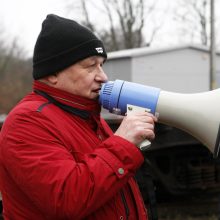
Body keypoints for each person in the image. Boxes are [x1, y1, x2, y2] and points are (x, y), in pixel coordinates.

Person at [0, 14, 157, 220]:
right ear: (52, 74)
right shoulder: (26, 122)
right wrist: (123, 143)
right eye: (90, 66)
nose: (103, 76)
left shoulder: (88, 117)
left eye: (101, 65)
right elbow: (67, 199)